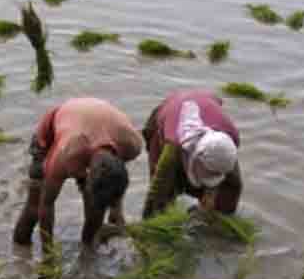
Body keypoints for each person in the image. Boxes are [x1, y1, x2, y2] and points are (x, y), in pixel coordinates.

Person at [13, 97, 142, 254]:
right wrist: (48, 256)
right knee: (34, 204)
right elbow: (46, 205)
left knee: (96, 209)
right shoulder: (65, 155)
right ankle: (20, 250)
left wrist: (116, 208)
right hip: (53, 131)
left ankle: (88, 251)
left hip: (97, 120)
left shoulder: (132, 145)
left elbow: (117, 177)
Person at [141, 89, 242, 218]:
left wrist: (212, 193)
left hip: (206, 104)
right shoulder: (172, 149)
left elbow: (232, 183)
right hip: (170, 112)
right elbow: (156, 191)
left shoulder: (228, 142)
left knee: (229, 190)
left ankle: (212, 219)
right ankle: (167, 215)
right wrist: (148, 225)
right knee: (163, 193)